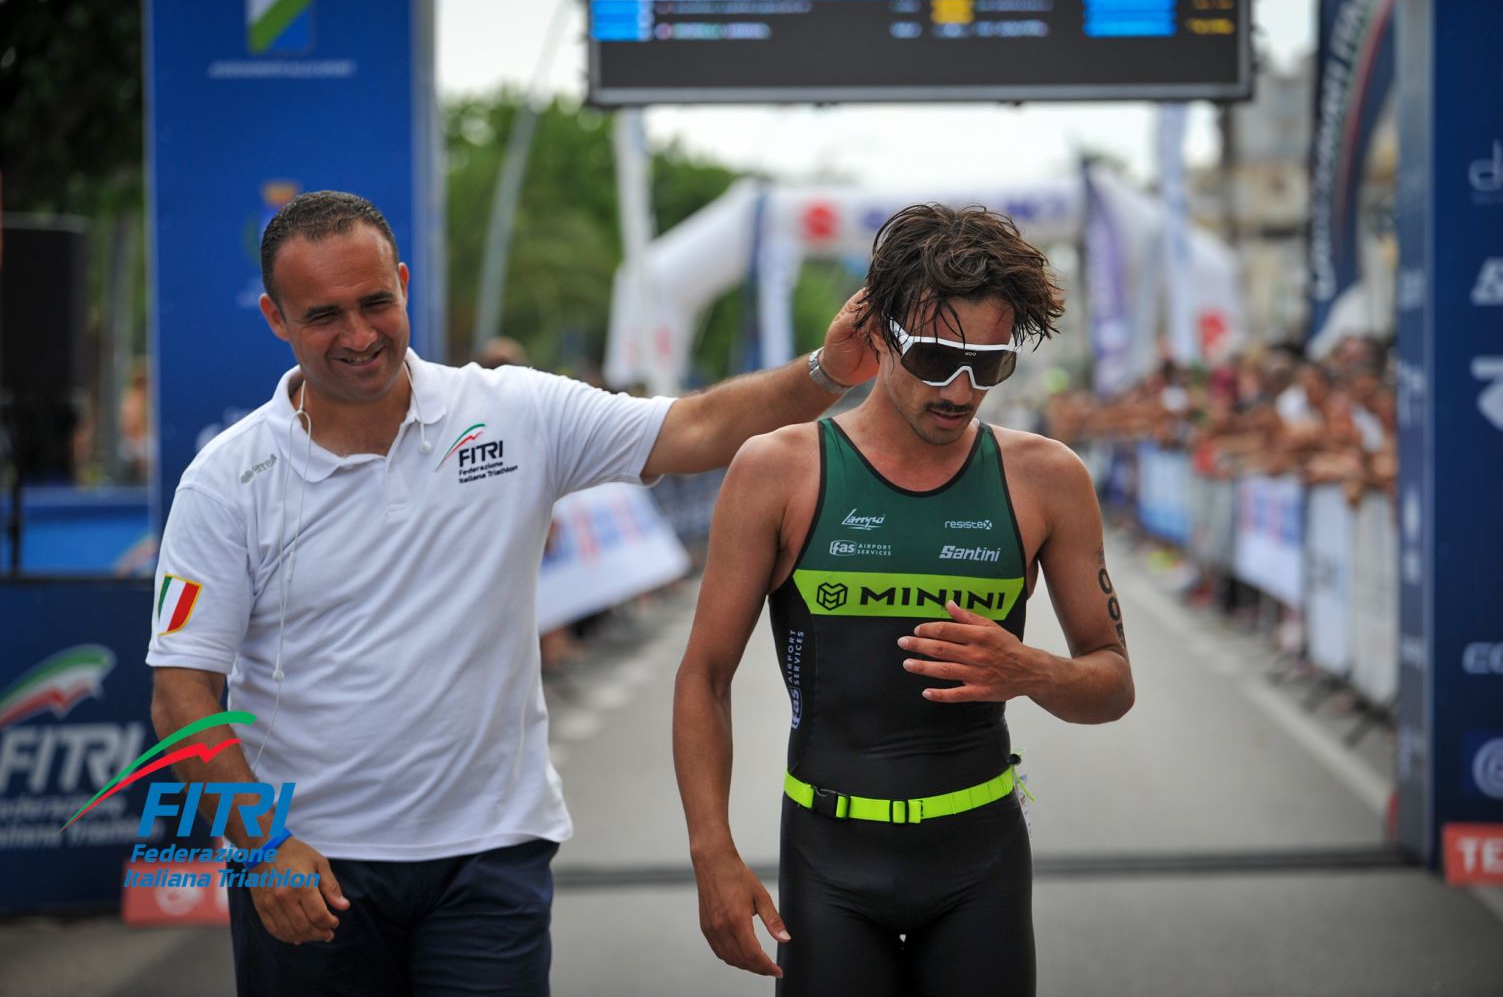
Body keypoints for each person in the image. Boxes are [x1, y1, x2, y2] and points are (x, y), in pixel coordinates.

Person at [146, 190, 874, 996]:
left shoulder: (511, 410)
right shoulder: (226, 479)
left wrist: (828, 370)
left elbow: (697, 427)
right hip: (309, 864)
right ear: (275, 319)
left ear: (404, 283)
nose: (357, 335)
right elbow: (182, 696)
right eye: (323, 316)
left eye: (375, 302)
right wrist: (260, 846)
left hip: (489, 857)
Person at [672, 204, 1136, 996]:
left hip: (978, 861)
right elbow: (703, 676)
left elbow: (1112, 682)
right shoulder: (779, 469)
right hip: (827, 861)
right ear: (879, 334)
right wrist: (711, 852)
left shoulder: (1046, 478)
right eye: (934, 357)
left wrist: (1031, 671)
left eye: (988, 366)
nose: (959, 390)